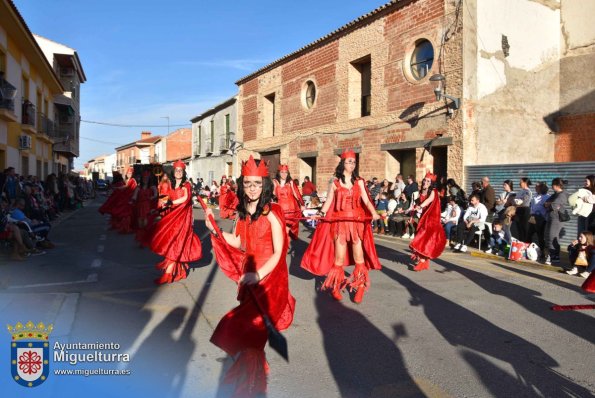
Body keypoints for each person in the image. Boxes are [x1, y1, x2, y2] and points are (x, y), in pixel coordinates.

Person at [204, 155, 295, 398]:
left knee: (248, 332)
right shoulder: (243, 212)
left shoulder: (273, 212)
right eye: (247, 183)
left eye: (256, 183)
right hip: (250, 278)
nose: (252, 188)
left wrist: (259, 275)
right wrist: (217, 231)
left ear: (264, 184)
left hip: (269, 283)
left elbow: (280, 251)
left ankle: (250, 387)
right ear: (242, 184)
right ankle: (253, 377)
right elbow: (238, 241)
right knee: (245, 333)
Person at [301, 149, 381, 303]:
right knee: (338, 259)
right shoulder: (335, 182)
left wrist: (374, 213)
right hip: (340, 224)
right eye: (349, 161)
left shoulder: (359, 181)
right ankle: (336, 287)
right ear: (343, 163)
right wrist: (320, 214)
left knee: (359, 258)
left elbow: (366, 200)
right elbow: (328, 202)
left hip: (356, 224)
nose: (352, 164)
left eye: (354, 162)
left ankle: (360, 286)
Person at [150, 160, 202, 284]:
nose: (178, 172)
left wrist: (171, 203)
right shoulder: (171, 185)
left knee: (175, 245)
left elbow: (185, 198)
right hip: (172, 218)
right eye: (176, 170)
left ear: (183, 172)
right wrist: (159, 207)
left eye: (181, 170)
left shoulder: (186, 185)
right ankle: (178, 272)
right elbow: (165, 198)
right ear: (173, 172)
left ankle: (167, 275)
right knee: (171, 244)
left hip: (183, 220)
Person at [409, 172, 446, 271]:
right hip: (424, 218)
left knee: (423, 240)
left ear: (431, 183)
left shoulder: (433, 191)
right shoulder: (422, 192)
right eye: (425, 180)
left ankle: (422, 261)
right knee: (421, 239)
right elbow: (416, 204)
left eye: (428, 181)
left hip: (431, 220)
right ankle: (423, 260)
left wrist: (420, 206)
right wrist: (411, 215)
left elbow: (428, 201)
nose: (425, 182)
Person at [273, 164, 304, 240]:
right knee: (280, 230)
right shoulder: (275, 182)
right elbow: (273, 195)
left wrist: (301, 204)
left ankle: (285, 248)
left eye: (286, 172)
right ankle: (283, 247)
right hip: (280, 210)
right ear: (278, 173)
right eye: (282, 172)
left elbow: (297, 194)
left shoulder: (291, 182)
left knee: (286, 231)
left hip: (290, 210)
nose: (284, 174)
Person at [543, 178, 569, 265]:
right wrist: (550, 204)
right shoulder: (555, 194)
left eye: (553, 185)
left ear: (557, 185)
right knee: (550, 236)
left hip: (557, 218)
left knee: (552, 236)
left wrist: (550, 204)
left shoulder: (562, 194)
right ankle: (555, 257)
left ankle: (553, 256)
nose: (552, 186)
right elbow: (545, 204)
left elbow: (553, 206)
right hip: (551, 217)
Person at [132, 170, 158, 246]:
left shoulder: (152, 187)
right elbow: (134, 196)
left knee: (146, 224)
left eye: (147, 178)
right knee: (140, 225)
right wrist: (132, 199)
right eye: (144, 178)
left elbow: (156, 195)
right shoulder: (138, 187)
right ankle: (141, 239)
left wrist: (152, 197)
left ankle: (146, 239)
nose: (145, 179)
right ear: (142, 179)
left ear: (149, 179)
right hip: (140, 207)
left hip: (148, 206)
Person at [527, 181, 550, 261]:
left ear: (541, 187)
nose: (535, 188)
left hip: (541, 218)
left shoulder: (547, 197)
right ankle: (528, 249)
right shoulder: (535, 195)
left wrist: (543, 216)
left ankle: (542, 253)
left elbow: (547, 208)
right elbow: (532, 206)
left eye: (537, 186)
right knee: (529, 234)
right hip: (533, 217)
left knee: (540, 236)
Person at [514, 178, 533, 242]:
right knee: (519, 228)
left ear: (525, 183)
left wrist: (517, 201)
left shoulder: (528, 191)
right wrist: (516, 201)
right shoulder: (520, 191)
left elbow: (523, 201)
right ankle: (520, 242)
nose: (519, 183)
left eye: (521, 182)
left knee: (525, 228)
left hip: (525, 210)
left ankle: (526, 243)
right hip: (518, 210)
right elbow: (515, 200)